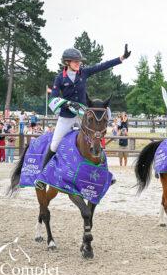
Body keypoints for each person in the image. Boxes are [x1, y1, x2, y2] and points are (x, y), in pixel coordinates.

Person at [39, 45, 132, 180]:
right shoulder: (59, 78)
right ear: (67, 62)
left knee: (97, 138)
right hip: (67, 116)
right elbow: (53, 99)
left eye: (80, 61)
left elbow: (102, 66)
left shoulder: (84, 72)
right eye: (76, 61)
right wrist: (67, 103)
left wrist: (121, 58)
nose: (79, 63)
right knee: (54, 144)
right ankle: (42, 175)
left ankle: (106, 174)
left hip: (83, 114)